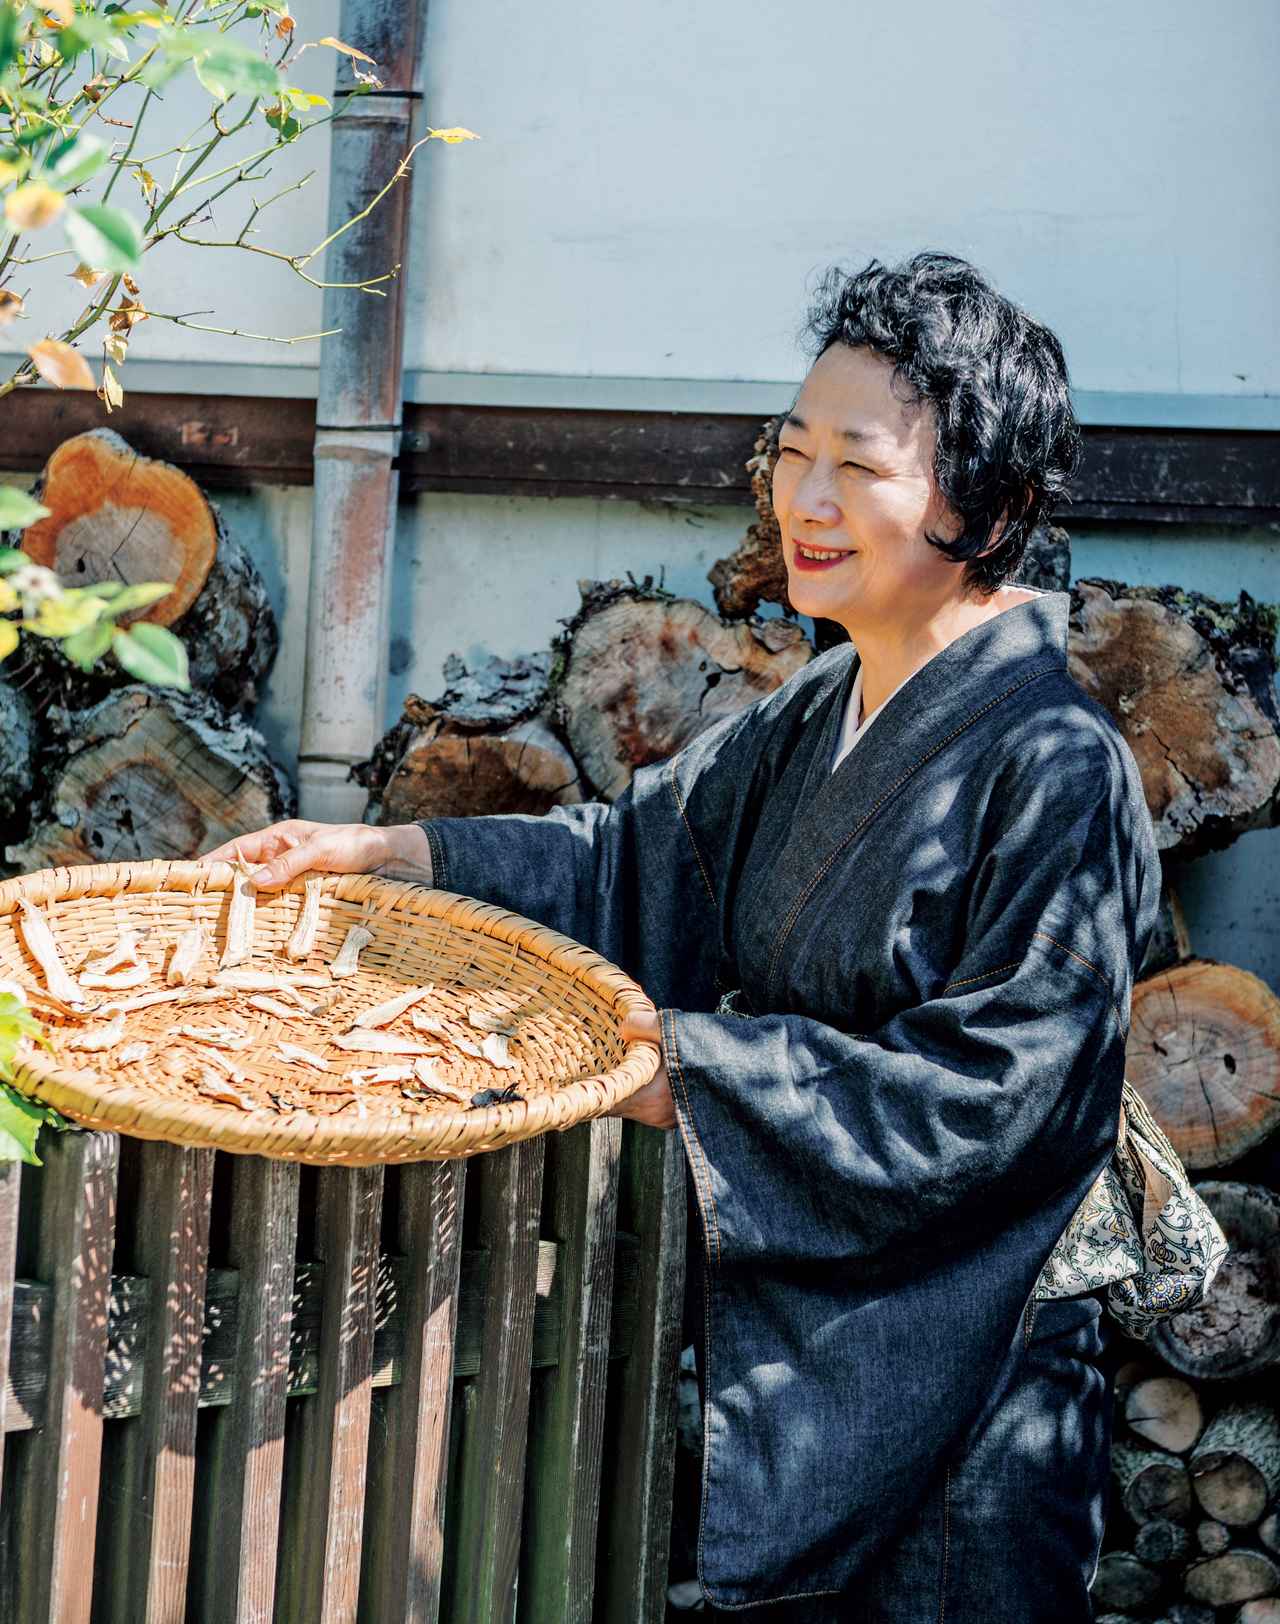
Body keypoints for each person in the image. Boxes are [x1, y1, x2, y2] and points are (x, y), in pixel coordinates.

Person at [200, 251, 1161, 1621]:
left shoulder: (1054, 762)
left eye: (859, 467)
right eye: (790, 452)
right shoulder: (820, 710)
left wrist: (685, 1070)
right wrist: (384, 856)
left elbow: (998, 1101)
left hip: (969, 1382)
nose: (805, 501)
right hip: (819, 1355)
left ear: (988, 503)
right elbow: (629, 861)